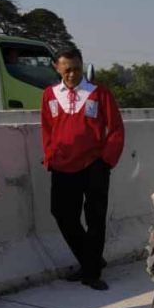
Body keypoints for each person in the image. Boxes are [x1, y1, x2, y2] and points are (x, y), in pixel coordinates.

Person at [41, 46, 124, 290]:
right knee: (62, 214)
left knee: (95, 219)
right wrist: (49, 156)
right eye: (66, 70)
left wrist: (106, 160)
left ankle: (92, 272)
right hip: (62, 166)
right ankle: (91, 259)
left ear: (82, 66)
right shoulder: (49, 95)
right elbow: (46, 129)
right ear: (58, 68)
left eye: (76, 69)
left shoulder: (100, 94)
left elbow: (116, 128)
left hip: (94, 166)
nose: (72, 74)